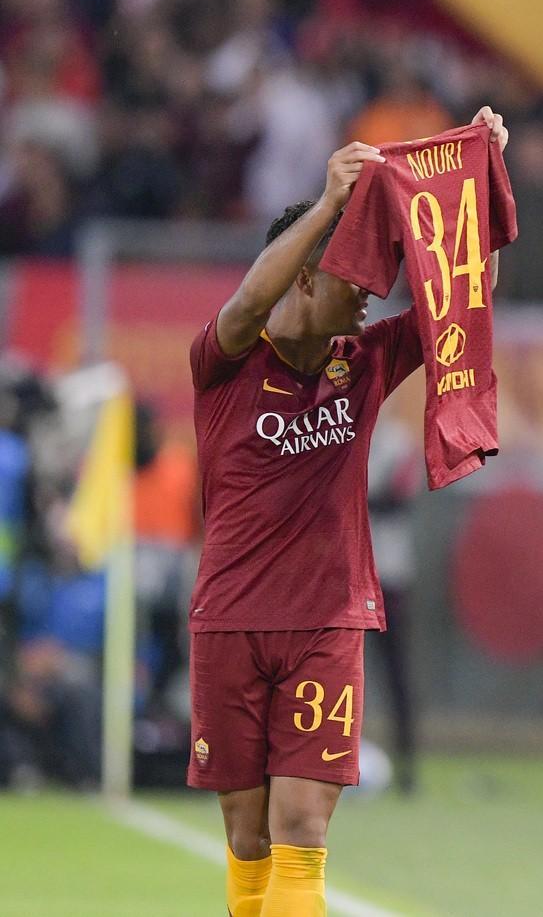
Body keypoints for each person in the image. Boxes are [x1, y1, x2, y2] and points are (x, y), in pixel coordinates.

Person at [186, 108, 507, 917]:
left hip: (329, 620)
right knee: (247, 838)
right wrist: (329, 204)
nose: (369, 297)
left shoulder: (362, 361)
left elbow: (462, 298)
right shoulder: (223, 360)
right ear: (303, 274)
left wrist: (477, 179)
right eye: (351, 279)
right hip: (230, 617)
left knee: (300, 830)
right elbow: (249, 295)